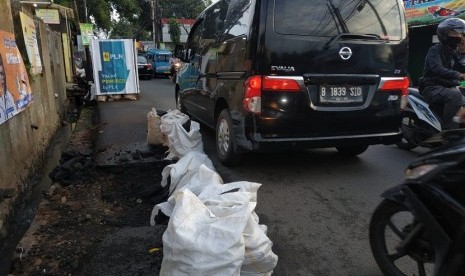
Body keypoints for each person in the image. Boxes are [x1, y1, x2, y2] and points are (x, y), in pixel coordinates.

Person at [421, 17, 465, 130]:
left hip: (448, 87)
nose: (459, 36)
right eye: (455, 33)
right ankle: (450, 132)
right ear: (445, 34)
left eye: (460, 33)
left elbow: (461, 65)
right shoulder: (435, 50)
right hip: (432, 87)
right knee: (455, 95)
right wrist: (458, 75)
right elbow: (437, 68)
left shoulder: (454, 51)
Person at [0, 55, 16, 123]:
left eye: (3, 73)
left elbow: (14, 111)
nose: (3, 76)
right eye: (0, 73)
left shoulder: (8, 95)